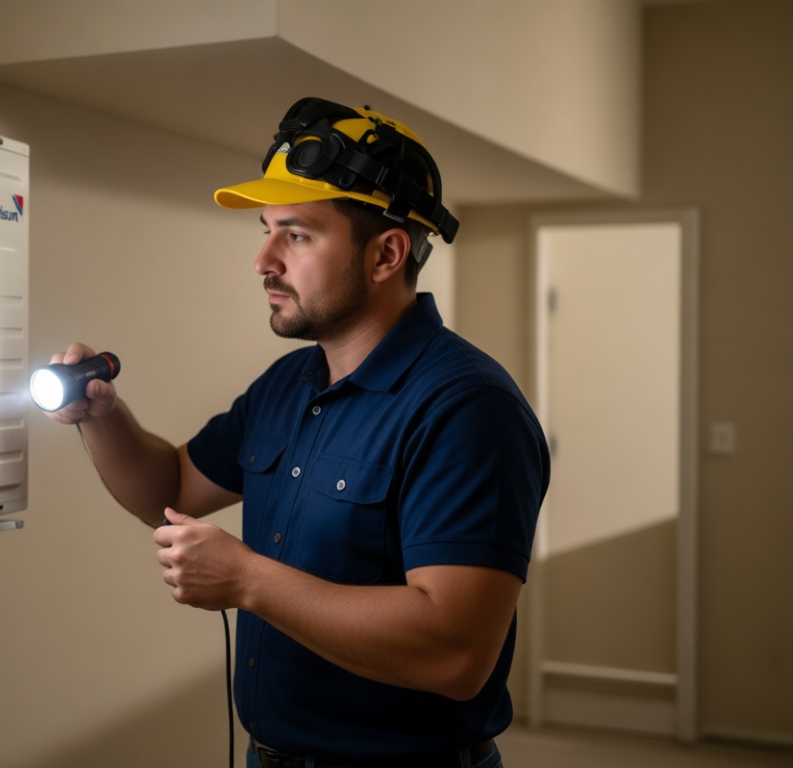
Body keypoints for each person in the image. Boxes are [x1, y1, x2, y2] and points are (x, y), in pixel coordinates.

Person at [44, 97, 549, 768]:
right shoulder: (288, 386)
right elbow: (169, 487)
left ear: (386, 255)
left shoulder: (466, 408)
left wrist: (248, 580)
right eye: (266, 229)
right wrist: (101, 415)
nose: (262, 260)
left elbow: (455, 653)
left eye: (298, 235)